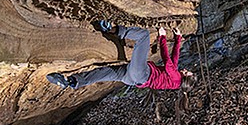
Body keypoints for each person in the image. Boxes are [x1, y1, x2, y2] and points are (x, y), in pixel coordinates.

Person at [47, 20, 194, 90]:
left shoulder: (176, 78)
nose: (185, 70)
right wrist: (178, 38)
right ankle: (72, 82)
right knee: (103, 73)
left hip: (141, 73)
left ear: (185, 78)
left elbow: (167, 61)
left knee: (143, 36)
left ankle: (113, 29)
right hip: (133, 80)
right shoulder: (175, 81)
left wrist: (162, 37)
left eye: (187, 72)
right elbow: (174, 60)